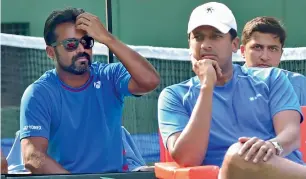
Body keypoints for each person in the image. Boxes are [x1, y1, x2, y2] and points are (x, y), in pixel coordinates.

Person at [158, 2, 306, 179]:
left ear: (234, 44)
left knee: (241, 153)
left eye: (216, 36)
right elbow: (188, 158)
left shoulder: (272, 78)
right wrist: (207, 86)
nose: (205, 45)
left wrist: (272, 146)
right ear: (189, 44)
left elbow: (290, 135)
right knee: (238, 154)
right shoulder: (173, 96)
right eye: (198, 37)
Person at [19, 7, 160, 174]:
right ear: (51, 52)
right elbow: (32, 156)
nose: (81, 50)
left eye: (87, 42)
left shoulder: (109, 76)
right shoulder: (39, 93)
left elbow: (150, 81)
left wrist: (107, 38)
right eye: (70, 44)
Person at [240, 16, 306, 105]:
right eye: (257, 47)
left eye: (273, 49)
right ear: (243, 51)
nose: (264, 57)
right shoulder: (225, 85)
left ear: (281, 53)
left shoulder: (300, 84)